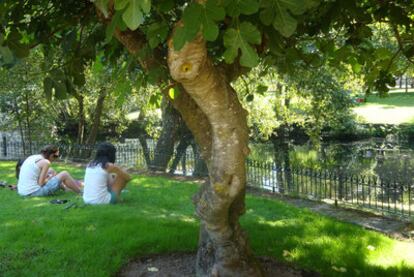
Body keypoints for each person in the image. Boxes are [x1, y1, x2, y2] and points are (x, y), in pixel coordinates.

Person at [17, 145, 81, 196]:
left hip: (22, 191)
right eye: (55, 156)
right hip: (34, 192)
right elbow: (41, 183)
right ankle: (81, 192)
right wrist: (50, 178)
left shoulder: (33, 157)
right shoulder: (46, 162)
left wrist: (51, 176)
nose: (56, 159)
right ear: (51, 155)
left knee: (51, 170)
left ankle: (65, 189)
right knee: (64, 174)